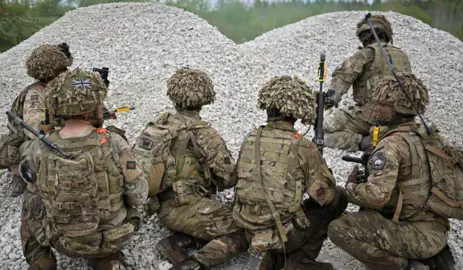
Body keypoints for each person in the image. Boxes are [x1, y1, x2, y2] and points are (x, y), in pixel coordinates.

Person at [19, 68, 148, 270]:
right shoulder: (114, 142)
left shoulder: (40, 146)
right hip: (111, 239)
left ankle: (40, 260)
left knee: (30, 198)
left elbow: (31, 182)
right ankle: (106, 259)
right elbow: (139, 196)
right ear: (97, 106)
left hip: (62, 242)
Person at [328, 73, 457, 270]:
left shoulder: (390, 145)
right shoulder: (428, 135)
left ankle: (405, 266)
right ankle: (431, 255)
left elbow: (376, 197)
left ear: (397, 108)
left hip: (413, 232)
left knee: (338, 229)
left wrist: (350, 187)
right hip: (436, 228)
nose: (377, 108)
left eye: (383, 104)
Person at [135, 67, 247, 270]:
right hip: (187, 208)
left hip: (161, 206)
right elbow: (228, 179)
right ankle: (192, 265)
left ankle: (177, 242)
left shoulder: (161, 125)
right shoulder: (204, 133)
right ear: (204, 97)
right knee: (245, 230)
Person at [233, 76, 348, 270]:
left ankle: (272, 258)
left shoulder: (251, 138)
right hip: (283, 234)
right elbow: (324, 197)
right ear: (296, 112)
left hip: (247, 229)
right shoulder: (302, 146)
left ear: (268, 106)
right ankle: (298, 260)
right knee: (338, 196)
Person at [323, 14, 412, 152]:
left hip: (374, 115)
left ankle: (364, 142)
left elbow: (343, 77)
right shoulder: (402, 56)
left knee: (324, 128)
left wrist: (329, 100)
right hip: (403, 116)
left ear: (364, 38)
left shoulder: (366, 53)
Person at [0, 43, 73, 197]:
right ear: (51, 72)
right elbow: (35, 130)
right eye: (62, 70)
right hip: (28, 141)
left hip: (54, 133)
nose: (67, 72)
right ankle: (23, 173)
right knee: (40, 147)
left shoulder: (58, 88)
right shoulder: (35, 94)